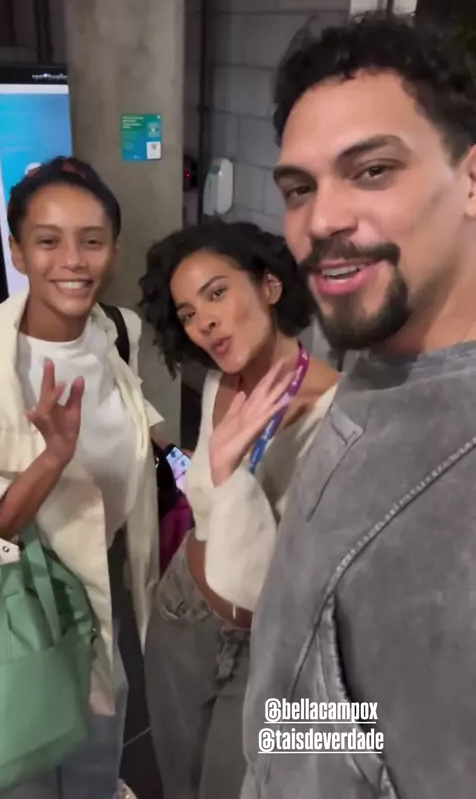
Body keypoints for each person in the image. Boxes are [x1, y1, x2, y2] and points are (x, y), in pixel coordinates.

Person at [240, 11, 476, 799]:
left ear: (470, 180)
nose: (322, 220)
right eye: (299, 189)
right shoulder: (381, 369)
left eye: (372, 170)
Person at [139, 220, 339, 798]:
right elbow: (203, 506)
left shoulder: (337, 414)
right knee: (176, 777)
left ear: (269, 286)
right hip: (182, 608)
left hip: (263, 646)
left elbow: (271, 579)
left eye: (217, 292)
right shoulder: (222, 381)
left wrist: (229, 477)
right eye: (187, 312)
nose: (203, 321)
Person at [0, 157, 162, 799]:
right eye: (48, 241)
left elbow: (134, 413)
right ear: (18, 251)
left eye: (92, 241)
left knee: (96, 753)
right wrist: (52, 457)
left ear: (113, 251)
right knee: (25, 766)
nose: (73, 260)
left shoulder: (117, 331)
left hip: (99, 601)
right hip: (16, 613)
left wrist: (201, 462)